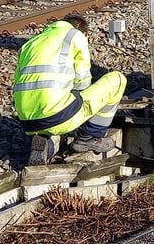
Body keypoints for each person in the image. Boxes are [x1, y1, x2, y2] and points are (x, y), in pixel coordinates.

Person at [12, 13, 126, 164]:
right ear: (83, 32)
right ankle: (88, 137)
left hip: (28, 122)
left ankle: (47, 146)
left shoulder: (30, 43)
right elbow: (83, 82)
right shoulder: (75, 36)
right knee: (118, 79)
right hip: (58, 114)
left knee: (55, 122)